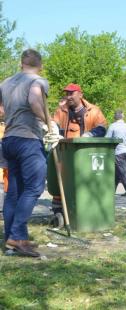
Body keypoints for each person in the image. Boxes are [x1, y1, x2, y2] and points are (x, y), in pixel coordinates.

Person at [0, 49, 59, 257]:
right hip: (27, 139)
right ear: (40, 65)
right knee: (34, 187)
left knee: (14, 192)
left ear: (21, 64)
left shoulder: (5, 83)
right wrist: (48, 122)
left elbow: (1, 111)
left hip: (8, 139)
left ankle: (14, 239)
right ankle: (17, 236)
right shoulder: (38, 81)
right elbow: (35, 101)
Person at [51, 83, 107, 213]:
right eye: (67, 93)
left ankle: (85, 208)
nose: (68, 96)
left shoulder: (94, 110)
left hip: (85, 152)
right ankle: (59, 210)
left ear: (80, 94)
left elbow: (102, 127)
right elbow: (54, 124)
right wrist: (52, 130)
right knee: (60, 178)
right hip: (64, 151)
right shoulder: (61, 110)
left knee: (83, 181)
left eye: (71, 93)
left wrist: (89, 135)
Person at [106, 111, 126, 196]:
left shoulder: (112, 126)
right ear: (122, 117)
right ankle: (112, 190)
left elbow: (106, 139)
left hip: (118, 152)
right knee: (117, 172)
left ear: (115, 117)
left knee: (122, 172)